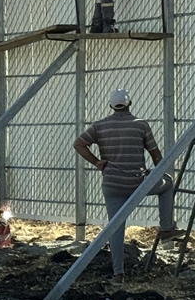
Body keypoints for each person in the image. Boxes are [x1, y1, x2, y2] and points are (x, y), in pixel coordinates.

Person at [73, 88, 182, 286]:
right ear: (130, 104)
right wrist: (159, 171)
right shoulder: (140, 125)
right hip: (137, 183)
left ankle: (118, 275)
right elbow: (154, 153)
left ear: (110, 106)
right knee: (168, 184)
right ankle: (166, 228)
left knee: (115, 228)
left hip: (113, 184)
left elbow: (78, 144)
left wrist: (97, 162)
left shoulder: (100, 126)